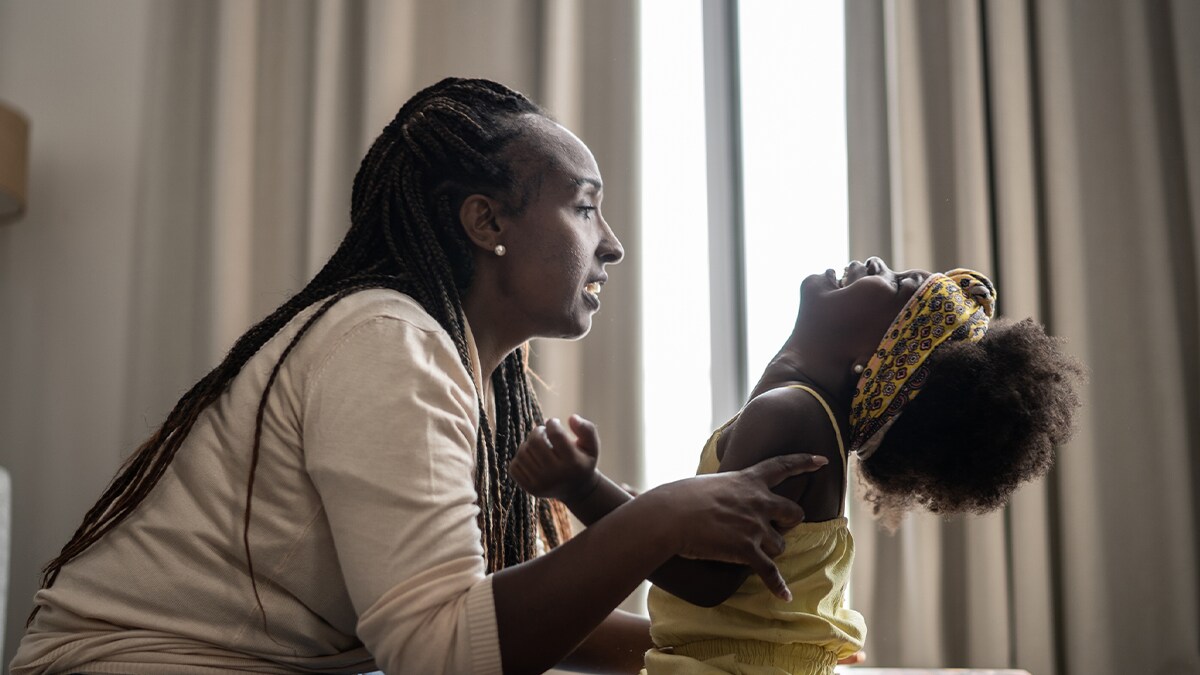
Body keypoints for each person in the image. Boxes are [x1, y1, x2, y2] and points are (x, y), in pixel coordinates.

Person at [11, 78, 831, 675]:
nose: (611, 243)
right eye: (585, 206)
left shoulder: (457, 367)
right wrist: (656, 521)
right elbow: (443, 659)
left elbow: (500, 616)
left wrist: (735, 652)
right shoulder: (387, 342)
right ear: (487, 221)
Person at [510, 257, 1084, 675]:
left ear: (875, 358)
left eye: (896, 285)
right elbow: (695, 536)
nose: (877, 262)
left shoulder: (788, 414)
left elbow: (707, 580)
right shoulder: (797, 411)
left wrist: (581, 489)